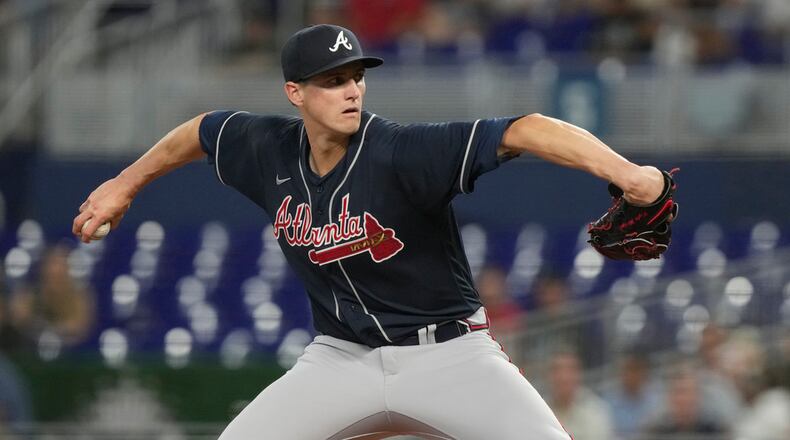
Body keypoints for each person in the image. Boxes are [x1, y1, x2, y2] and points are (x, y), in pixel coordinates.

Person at [73, 23, 667, 440]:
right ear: (295, 92)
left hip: (450, 358)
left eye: (356, 75)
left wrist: (623, 171)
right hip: (340, 361)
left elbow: (525, 129)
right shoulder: (265, 149)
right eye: (332, 79)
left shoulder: (403, 152)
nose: (351, 89)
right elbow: (201, 131)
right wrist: (126, 182)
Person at [546, 348, 614, 440]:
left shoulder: (597, 411)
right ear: (548, 375)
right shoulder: (540, 409)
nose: (563, 377)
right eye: (557, 369)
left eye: (570, 369)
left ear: (579, 374)